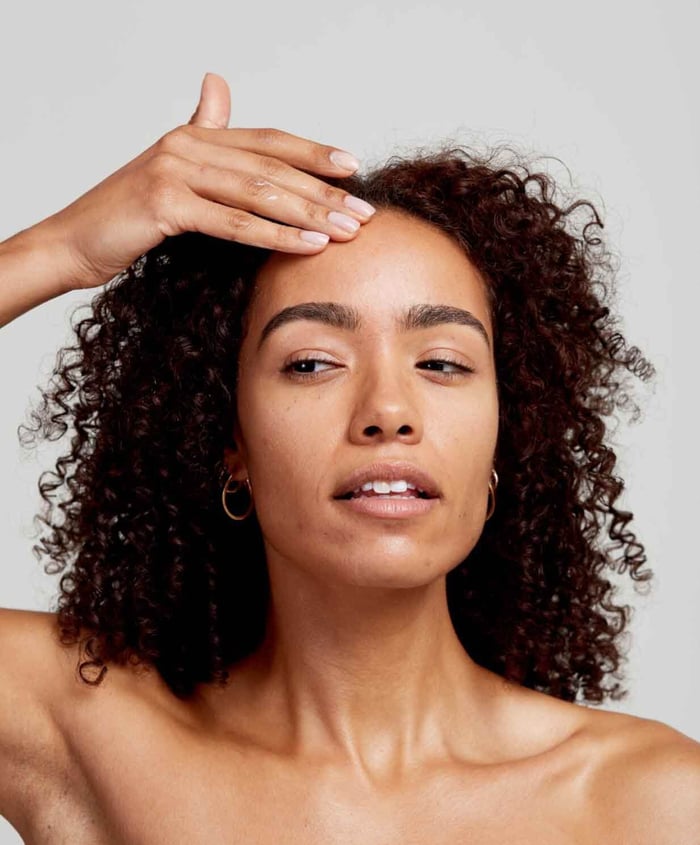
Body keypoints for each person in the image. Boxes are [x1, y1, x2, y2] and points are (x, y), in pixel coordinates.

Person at [0, 73, 698, 843]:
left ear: (504, 434)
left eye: (442, 363)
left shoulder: (653, 800)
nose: (388, 413)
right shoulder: (90, 733)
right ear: (228, 440)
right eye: (311, 363)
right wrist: (58, 248)